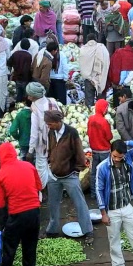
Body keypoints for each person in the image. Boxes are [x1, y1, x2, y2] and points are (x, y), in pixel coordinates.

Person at [43, 110, 94, 244]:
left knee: (79, 203)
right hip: (53, 175)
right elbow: (51, 149)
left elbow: (79, 153)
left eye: (50, 124)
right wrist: (50, 162)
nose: (49, 126)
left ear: (58, 122)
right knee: (53, 204)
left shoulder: (71, 133)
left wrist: (78, 170)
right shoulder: (51, 132)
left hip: (70, 175)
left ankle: (88, 231)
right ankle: (52, 230)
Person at [96, 139, 133, 266]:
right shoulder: (102, 167)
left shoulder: (128, 157)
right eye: (114, 156)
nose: (117, 159)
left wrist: (127, 142)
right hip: (112, 210)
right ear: (110, 152)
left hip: (126, 207)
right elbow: (99, 190)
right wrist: (103, 213)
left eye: (120, 156)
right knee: (114, 241)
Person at [0, 143, 42, 266]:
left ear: (0, 157)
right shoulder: (29, 166)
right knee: (30, 248)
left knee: (9, 249)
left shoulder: (0, 175)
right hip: (34, 213)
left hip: (17, 216)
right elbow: (39, 187)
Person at [26, 82, 60, 193]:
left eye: (29, 95)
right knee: (54, 163)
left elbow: (34, 132)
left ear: (34, 96)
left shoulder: (35, 107)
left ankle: (42, 191)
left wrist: (30, 150)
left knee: (41, 166)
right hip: (56, 138)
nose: (28, 97)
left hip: (43, 142)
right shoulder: (52, 101)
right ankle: (55, 188)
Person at [88, 99, 112, 200]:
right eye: (106, 108)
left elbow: (88, 133)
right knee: (106, 173)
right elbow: (109, 137)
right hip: (104, 151)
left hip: (94, 150)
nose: (107, 110)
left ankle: (94, 193)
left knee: (95, 172)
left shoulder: (91, 119)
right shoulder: (104, 121)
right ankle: (105, 194)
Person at [80, 33, 110, 107]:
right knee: (101, 103)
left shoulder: (83, 49)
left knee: (89, 103)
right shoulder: (102, 48)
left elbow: (82, 64)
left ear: (87, 40)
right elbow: (107, 62)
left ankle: (90, 116)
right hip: (100, 78)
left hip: (88, 79)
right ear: (96, 39)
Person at [7, 39, 33, 103]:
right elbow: (28, 68)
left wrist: (13, 69)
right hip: (25, 79)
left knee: (18, 95)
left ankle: (17, 107)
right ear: (29, 46)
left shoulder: (16, 53)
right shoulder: (29, 56)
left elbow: (8, 63)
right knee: (26, 96)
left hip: (17, 78)